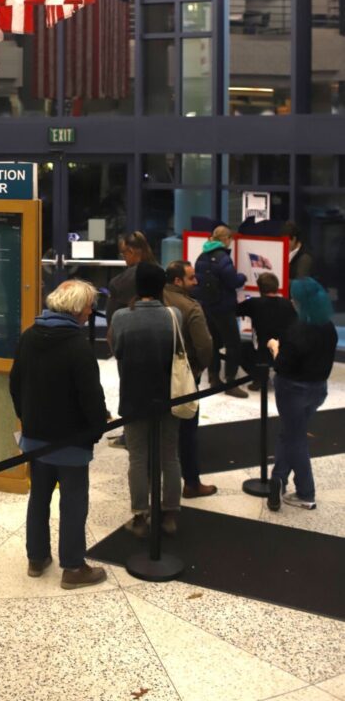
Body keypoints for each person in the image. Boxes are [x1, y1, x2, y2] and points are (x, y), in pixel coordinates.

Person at [9, 279, 109, 590]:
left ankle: (36, 558)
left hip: (36, 437)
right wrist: (97, 428)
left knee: (38, 497)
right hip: (71, 440)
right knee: (73, 501)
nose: (92, 311)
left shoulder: (29, 336)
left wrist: (26, 418)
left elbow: (15, 383)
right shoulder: (77, 344)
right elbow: (90, 395)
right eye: (89, 306)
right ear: (78, 309)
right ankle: (73, 566)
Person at [111, 262, 182, 537]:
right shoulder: (173, 314)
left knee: (137, 458)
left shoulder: (120, 318)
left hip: (134, 395)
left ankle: (140, 516)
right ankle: (170, 513)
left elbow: (118, 351)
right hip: (169, 396)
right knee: (170, 457)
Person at [267, 277, 337, 513]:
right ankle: (278, 479)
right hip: (318, 390)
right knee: (290, 433)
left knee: (295, 440)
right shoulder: (328, 327)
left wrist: (275, 347)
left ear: (299, 302)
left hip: (292, 390)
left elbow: (282, 366)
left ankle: (306, 492)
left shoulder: (295, 331)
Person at [164, 260, 217, 499]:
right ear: (178, 281)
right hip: (185, 376)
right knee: (187, 430)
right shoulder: (191, 307)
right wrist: (198, 369)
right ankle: (191, 483)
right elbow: (205, 347)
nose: (196, 281)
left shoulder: (156, 297)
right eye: (191, 278)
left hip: (156, 376)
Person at [194, 225, 248, 397]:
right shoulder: (223, 258)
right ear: (225, 239)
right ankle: (231, 382)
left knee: (214, 344)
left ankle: (214, 378)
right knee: (233, 344)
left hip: (207, 307)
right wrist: (243, 277)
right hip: (223, 307)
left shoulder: (202, 256)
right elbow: (233, 281)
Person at [236, 272, 297, 390]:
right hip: (283, 351)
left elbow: (235, 311)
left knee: (239, 348)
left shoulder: (254, 303)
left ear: (260, 288)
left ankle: (258, 377)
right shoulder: (287, 304)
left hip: (262, 352)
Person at [105, 231, 156, 336]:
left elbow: (112, 322)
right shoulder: (159, 272)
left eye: (123, 254)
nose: (124, 258)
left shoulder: (118, 282)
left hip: (129, 335)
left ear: (131, 251)